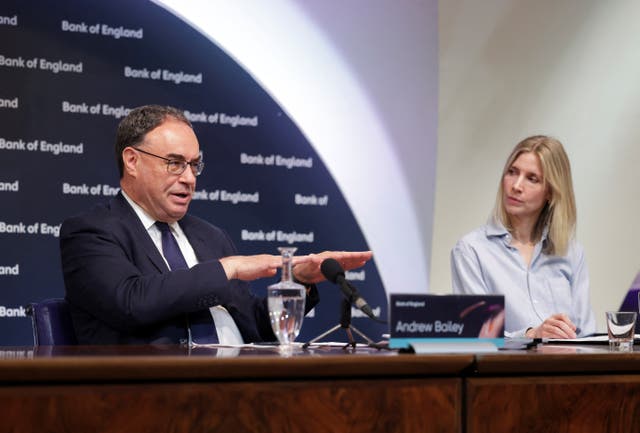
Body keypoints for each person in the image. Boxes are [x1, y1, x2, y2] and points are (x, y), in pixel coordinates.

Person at [60, 104, 372, 345]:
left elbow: (254, 328)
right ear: (132, 161)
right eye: (175, 163)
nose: (189, 178)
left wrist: (299, 283)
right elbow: (131, 301)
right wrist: (228, 268)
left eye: (194, 165)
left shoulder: (209, 236)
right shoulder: (90, 232)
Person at [450, 135, 595, 339]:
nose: (516, 185)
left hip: (566, 368)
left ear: (551, 193)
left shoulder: (572, 253)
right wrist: (531, 335)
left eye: (532, 178)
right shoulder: (471, 250)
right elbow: (479, 335)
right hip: (504, 370)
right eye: (512, 172)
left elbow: (586, 334)